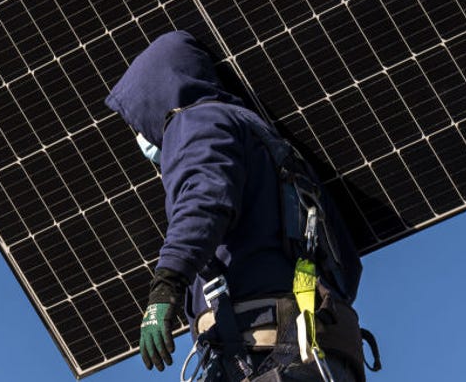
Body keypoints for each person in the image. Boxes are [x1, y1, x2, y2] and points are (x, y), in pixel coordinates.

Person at [105, 31, 372, 382]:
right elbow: (346, 269)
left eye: (136, 122)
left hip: (267, 352)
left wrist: (166, 284)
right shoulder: (264, 140)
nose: (140, 135)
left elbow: (204, 199)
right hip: (323, 352)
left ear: (154, 98)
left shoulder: (194, 120)